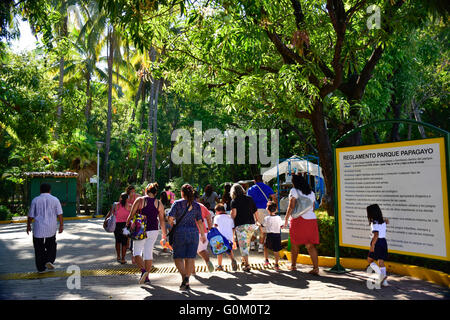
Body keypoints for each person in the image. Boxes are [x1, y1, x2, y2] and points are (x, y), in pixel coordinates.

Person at [168, 184, 207, 291]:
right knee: (190, 258)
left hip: (179, 233)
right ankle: (187, 281)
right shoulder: (196, 205)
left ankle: (184, 278)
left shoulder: (177, 203)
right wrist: (203, 235)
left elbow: (170, 218)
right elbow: (200, 221)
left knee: (177, 257)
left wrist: (172, 224)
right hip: (193, 233)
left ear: (182, 193)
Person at [126, 182, 166, 284]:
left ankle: (143, 271)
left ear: (146, 191)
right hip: (154, 230)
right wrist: (164, 235)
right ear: (156, 192)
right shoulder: (159, 203)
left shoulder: (140, 200)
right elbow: (162, 220)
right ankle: (147, 278)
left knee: (136, 253)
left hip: (141, 229)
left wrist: (127, 224)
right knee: (148, 253)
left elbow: (131, 214)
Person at [284, 174, 320, 275]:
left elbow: (291, 206)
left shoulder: (294, 191)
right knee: (310, 245)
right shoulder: (311, 193)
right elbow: (312, 206)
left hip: (299, 220)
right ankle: (316, 268)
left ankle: (293, 266)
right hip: (311, 220)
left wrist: (286, 219)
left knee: (295, 244)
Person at [26, 183, 64, 273]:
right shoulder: (55, 200)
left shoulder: (35, 200)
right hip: (51, 227)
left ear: (40, 190)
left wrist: (28, 225)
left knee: (39, 248)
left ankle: (41, 268)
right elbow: (60, 214)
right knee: (51, 245)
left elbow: (31, 215)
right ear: (50, 190)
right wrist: (61, 225)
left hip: (38, 228)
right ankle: (49, 260)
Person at [230, 183, 258, 272]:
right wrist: (257, 221)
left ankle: (247, 265)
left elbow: (234, 214)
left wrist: (230, 216)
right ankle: (243, 261)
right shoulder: (249, 199)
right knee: (247, 244)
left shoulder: (234, 201)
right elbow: (255, 211)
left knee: (244, 246)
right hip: (251, 225)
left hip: (241, 226)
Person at [247, 174, 276, 253]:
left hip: (253, 210)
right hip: (264, 210)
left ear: (254, 181)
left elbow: (248, 200)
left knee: (253, 227)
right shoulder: (267, 187)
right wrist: (275, 207)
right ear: (262, 180)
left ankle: (252, 245)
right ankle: (260, 247)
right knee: (263, 229)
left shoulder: (250, 189)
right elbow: (274, 197)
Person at [367, 204, 389, 287]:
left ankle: (381, 276)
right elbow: (386, 222)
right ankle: (385, 282)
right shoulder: (382, 221)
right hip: (383, 241)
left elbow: (376, 234)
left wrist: (372, 245)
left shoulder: (374, 223)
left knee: (370, 260)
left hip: (377, 242)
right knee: (381, 261)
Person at [104, 193, 130, 264]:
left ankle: (118, 256)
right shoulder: (130, 206)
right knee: (124, 243)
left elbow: (111, 214)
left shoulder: (115, 205)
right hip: (125, 225)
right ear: (127, 199)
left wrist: (105, 220)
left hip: (116, 225)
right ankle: (123, 259)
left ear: (120, 198)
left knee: (118, 241)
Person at [193, 191, 215, 273]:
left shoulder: (187, 206)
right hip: (203, 231)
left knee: (190, 252)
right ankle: (207, 261)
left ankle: (192, 271)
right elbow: (209, 216)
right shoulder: (201, 206)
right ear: (197, 198)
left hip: (190, 231)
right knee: (202, 249)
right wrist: (210, 228)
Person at [213, 204, 238, 271]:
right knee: (229, 250)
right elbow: (233, 228)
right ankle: (233, 260)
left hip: (220, 238)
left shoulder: (216, 217)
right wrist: (233, 238)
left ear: (217, 211)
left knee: (219, 252)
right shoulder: (230, 217)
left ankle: (220, 265)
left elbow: (215, 227)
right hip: (229, 237)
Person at [262, 201, 283, 271]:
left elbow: (263, 225)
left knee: (265, 246)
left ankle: (266, 260)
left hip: (270, 235)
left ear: (267, 209)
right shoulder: (279, 218)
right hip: (277, 235)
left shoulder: (266, 218)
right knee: (276, 250)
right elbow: (281, 226)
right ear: (276, 209)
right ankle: (276, 265)